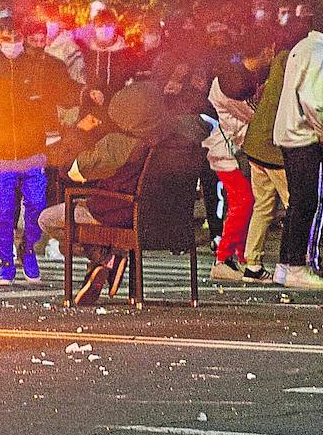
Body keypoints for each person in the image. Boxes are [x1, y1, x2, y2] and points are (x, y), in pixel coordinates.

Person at [39, 79, 209, 304]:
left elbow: (72, 171)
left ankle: (105, 257)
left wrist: (79, 133)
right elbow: (201, 124)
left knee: (49, 219)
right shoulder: (184, 138)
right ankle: (109, 258)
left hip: (123, 214)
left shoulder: (119, 145)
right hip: (171, 221)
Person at [0, 19, 76, 284]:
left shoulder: (34, 68)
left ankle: (28, 250)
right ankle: (5, 261)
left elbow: (55, 98)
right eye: (8, 38)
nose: (14, 44)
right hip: (0, 153)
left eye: (17, 38)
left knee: (36, 207)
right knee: (3, 212)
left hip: (32, 150)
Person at [273, 5, 323, 290]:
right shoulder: (319, 54)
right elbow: (314, 101)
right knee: (307, 202)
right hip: (303, 136)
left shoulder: (303, 47)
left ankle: (285, 264)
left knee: (297, 202)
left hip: (289, 132)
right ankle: (296, 266)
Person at [238, 22, 305, 282]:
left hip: (255, 145)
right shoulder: (291, 61)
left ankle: (252, 264)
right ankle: (293, 262)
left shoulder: (276, 66)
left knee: (263, 206)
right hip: (273, 148)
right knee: (296, 205)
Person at [204, 28, 271, 281]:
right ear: (264, 51)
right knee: (243, 201)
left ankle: (240, 257)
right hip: (223, 149)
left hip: (230, 147)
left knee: (246, 201)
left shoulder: (238, 73)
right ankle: (224, 258)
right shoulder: (235, 81)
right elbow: (256, 114)